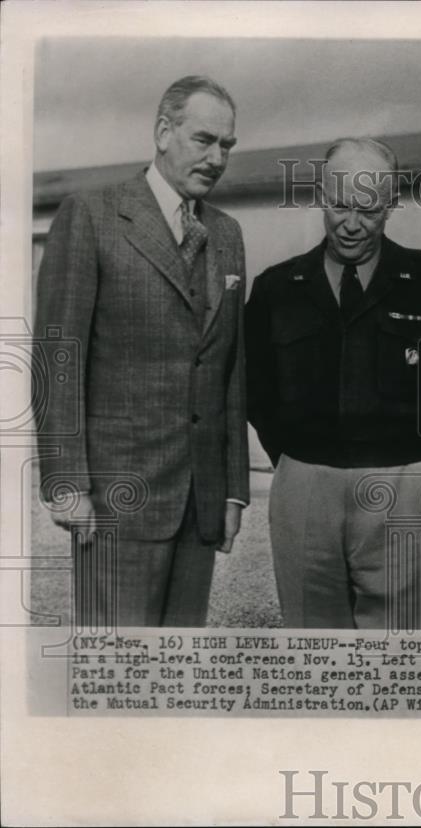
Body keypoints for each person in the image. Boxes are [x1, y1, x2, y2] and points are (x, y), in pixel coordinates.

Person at [33, 76, 249, 627]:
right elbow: (58, 360)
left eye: (226, 145)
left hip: (199, 501)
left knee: (172, 679)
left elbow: (229, 371)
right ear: (162, 131)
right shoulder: (92, 215)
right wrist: (66, 484)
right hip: (113, 501)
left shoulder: (226, 233)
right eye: (203, 139)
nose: (216, 157)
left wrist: (232, 494)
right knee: (116, 675)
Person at [246, 137, 421, 630]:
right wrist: (294, 461)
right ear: (320, 197)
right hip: (305, 480)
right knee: (313, 646)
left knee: (400, 652)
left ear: (391, 206)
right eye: (339, 205)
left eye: (368, 209)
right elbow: (257, 390)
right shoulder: (276, 289)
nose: (351, 224)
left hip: (402, 479)